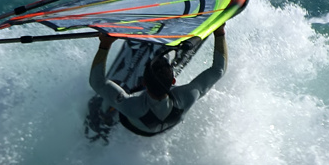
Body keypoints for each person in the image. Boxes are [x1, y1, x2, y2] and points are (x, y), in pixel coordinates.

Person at [89, 26, 227, 137]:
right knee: (163, 64)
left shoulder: (131, 105)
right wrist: (219, 33)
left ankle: (106, 119)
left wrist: (104, 45)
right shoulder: (187, 96)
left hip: (135, 123)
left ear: (143, 83)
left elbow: (98, 82)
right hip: (166, 120)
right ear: (173, 81)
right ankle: (169, 56)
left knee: (105, 103)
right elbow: (218, 70)